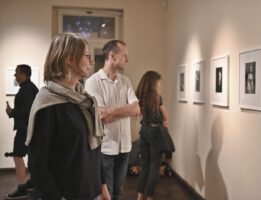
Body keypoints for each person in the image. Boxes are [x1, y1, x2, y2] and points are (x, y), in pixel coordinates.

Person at [26, 32, 110, 200]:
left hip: (92, 191)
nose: (91, 61)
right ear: (69, 59)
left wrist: (102, 184)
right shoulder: (48, 104)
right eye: (87, 56)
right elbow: (37, 163)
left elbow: (94, 148)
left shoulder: (84, 101)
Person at [85, 40, 140, 200]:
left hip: (125, 146)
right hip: (105, 148)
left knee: (118, 192)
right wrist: (125, 109)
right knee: (104, 194)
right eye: (125, 56)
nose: (127, 60)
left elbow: (136, 108)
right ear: (112, 56)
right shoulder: (92, 82)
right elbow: (102, 116)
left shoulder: (125, 81)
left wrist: (112, 111)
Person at [5, 64, 39, 199]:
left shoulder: (27, 89)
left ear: (23, 74)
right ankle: (32, 183)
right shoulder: (29, 88)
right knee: (31, 157)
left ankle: (22, 188)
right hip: (27, 129)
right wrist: (13, 112)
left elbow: (28, 111)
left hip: (25, 129)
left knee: (17, 156)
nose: (15, 75)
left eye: (16, 72)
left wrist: (12, 111)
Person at [135, 71, 169, 200]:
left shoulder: (140, 96)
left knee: (144, 166)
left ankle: (139, 196)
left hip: (144, 131)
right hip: (155, 133)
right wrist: (165, 123)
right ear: (153, 82)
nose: (159, 84)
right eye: (158, 82)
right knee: (155, 166)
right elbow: (165, 116)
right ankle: (149, 197)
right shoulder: (157, 97)